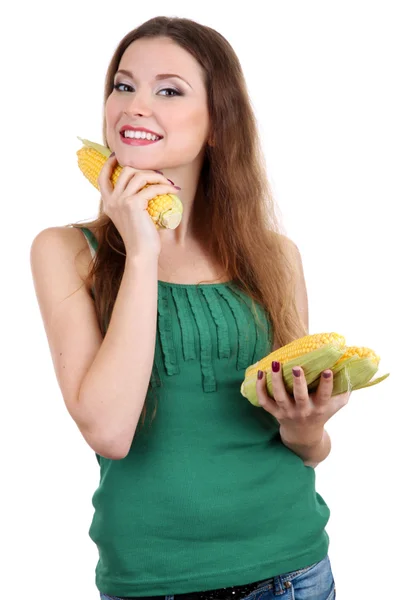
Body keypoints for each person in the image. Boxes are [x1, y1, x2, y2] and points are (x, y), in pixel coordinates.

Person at [29, 15, 346, 600]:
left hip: (294, 573)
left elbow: (308, 451)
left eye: (168, 90)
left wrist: (310, 426)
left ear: (217, 127)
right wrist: (143, 248)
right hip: (154, 585)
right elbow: (108, 430)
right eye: (123, 85)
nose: (134, 105)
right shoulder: (68, 252)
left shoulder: (275, 257)